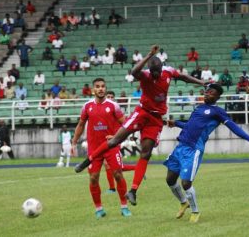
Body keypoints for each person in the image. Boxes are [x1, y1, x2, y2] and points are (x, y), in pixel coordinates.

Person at [74, 45, 205, 206]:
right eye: (153, 72)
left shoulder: (168, 72)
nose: (155, 75)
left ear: (162, 68)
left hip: (155, 119)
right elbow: (135, 72)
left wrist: (201, 82)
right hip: (141, 112)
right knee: (115, 140)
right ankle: (88, 160)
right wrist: (149, 55)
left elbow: (184, 77)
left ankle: (133, 191)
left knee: (146, 153)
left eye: (157, 71)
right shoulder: (145, 75)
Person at [164, 83, 249, 223]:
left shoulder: (218, 112)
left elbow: (233, 127)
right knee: (170, 179)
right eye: (206, 91)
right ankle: (183, 202)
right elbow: (190, 125)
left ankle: (195, 211)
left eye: (211, 92)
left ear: (217, 96)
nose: (207, 93)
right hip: (181, 146)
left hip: (194, 149)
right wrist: (176, 123)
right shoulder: (198, 108)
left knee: (186, 183)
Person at [71, 77, 132, 218]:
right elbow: (80, 125)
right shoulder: (87, 107)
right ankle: (99, 209)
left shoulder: (113, 106)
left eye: (103, 86)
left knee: (118, 174)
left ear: (105, 88)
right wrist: (74, 142)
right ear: (93, 90)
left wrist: (117, 136)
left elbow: (126, 124)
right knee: (93, 177)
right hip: (94, 148)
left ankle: (124, 207)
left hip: (111, 147)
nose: (100, 89)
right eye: (97, 86)